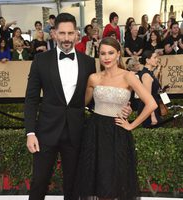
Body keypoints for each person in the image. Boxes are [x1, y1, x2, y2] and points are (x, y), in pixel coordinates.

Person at [25, 13, 132, 200]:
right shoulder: (40, 61)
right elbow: (31, 99)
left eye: (70, 33)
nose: (66, 38)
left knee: (74, 185)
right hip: (46, 133)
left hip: (76, 132)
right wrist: (30, 132)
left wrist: (123, 106)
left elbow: (95, 96)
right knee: (39, 182)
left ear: (77, 34)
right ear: (54, 34)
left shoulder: (88, 62)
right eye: (62, 33)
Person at [76, 37, 157, 200]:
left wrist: (131, 125)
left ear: (118, 54)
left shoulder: (129, 76)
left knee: (115, 182)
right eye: (103, 53)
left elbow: (151, 103)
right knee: (99, 182)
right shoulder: (94, 78)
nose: (106, 57)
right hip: (95, 132)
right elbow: (82, 104)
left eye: (111, 53)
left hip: (117, 132)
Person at [137, 50, 162, 128]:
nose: (157, 60)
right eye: (154, 57)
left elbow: (154, 80)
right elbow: (148, 98)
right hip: (148, 111)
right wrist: (152, 116)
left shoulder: (149, 73)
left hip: (152, 108)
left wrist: (159, 69)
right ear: (147, 60)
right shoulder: (146, 75)